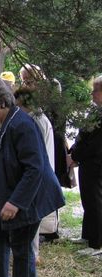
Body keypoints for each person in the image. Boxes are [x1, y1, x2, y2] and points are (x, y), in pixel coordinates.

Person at [0, 75, 65, 277]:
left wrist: (15, 202)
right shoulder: (4, 121)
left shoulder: (22, 125)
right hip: (9, 193)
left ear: (2, 102)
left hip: (29, 197)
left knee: (22, 248)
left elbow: (35, 169)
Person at [20, 64, 66, 242]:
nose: (25, 84)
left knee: (50, 185)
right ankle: (44, 229)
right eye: (23, 80)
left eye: (28, 80)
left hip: (51, 145)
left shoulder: (47, 99)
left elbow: (56, 123)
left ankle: (50, 229)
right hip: (43, 144)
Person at [15, 87, 57, 264]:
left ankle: (32, 255)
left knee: (32, 217)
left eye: (18, 104)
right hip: (39, 173)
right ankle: (30, 254)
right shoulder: (36, 117)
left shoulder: (36, 120)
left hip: (38, 175)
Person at [67, 75, 102, 256]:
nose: (92, 93)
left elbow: (95, 145)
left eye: (95, 90)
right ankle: (87, 235)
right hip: (87, 163)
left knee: (95, 201)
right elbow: (82, 135)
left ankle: (97, 244)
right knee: (87, 199)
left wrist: (75, 156)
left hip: (96, 165)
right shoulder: (96, 110)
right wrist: (72, 152)